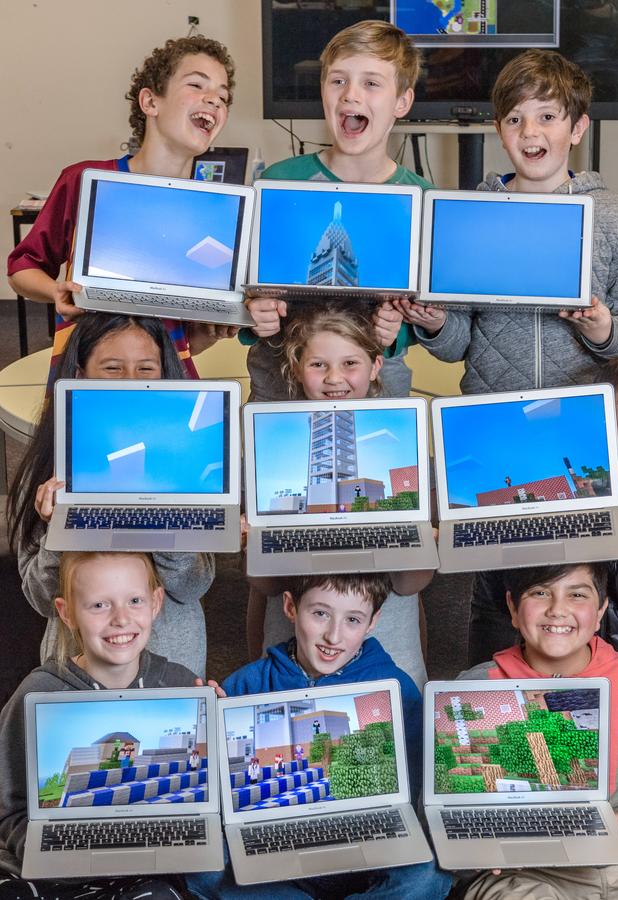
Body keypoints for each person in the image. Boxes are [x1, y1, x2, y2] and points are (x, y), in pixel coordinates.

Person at [187, 573, 452, 900]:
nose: (333, 635)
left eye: (353, 619)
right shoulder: (247, 684)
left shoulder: (397, 687)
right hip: (276, 846)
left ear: (372, 623)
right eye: (320, 614)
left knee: (429, 873)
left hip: (366, 847)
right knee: (201, 863)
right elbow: (222, 792)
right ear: (290, 607)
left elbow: (413, 790)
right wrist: (210, 729)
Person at [401, 48, 618, 394]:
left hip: (584, 410)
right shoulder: (470, 217)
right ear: (500, 131)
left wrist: (604, 331)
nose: (530, 132)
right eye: (515, 120)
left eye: (547, 117)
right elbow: (454, 346)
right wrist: (437, 323)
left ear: (577, 128)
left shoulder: (613, 216)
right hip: (490, 407)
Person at [6, 35, 238, 384]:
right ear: (150, 101)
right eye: (196, 85)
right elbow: (21, 268)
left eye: (222, 97)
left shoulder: (213, 208)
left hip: (170, 383)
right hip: (86, 379)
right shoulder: (85, 180)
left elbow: (185, 339)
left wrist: (215, 328)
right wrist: (56, 292)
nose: (213, 100)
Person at [6, 313, 216, 676]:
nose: (131, 384)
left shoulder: (189, 460)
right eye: (113, 368)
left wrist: (163, 522)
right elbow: (42, 600)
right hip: (76, 667)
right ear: (80, 373)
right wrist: (59, 531)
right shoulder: (50, 465)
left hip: (171, 666)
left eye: (146, 369)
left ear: (165, 374)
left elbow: (192, 584)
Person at [241, 19, 432, 402]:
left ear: (402, 102)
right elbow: (242, 288)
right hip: (278, 394)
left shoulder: (423, 199)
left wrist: (399, 330)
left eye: (372, 83)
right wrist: (251, 312)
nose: (351, 95)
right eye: (338, 80)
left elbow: (429, 313)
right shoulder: (279, 183)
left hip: (379, 398)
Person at [246, 303, 435, 689]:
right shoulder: (273, 444)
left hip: (382, 609)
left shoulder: (401, 444)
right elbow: (266, 588)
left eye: (350, 364)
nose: (335, 379)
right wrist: (251, 543)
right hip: (297, 603)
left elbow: (410, 584)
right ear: (297, 369)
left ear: (376, 367)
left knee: (400, 706)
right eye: (318, 365)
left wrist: (422, 539)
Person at [0, 550, 196, 898]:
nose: (121, 619)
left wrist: (217, 723)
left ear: (155, 603)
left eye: (134, 600)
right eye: (99, 606)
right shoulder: (38, 691)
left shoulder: (182, 686)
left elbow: (195, 792)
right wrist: (45, 851)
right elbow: (10, 807)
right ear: (67, 613)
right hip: (45, 871)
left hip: (140, 872)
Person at [456, 562, 618, 899]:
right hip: (525, 873)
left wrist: (586, 825)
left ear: (601, 609)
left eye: (577, 594)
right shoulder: (472, 687)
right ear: (513, 609)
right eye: (540, 592)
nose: (558, 609)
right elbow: (445, 812)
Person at [467, 348, 618, 665]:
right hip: (543, 678)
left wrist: (603, 532)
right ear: (601, 411)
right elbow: (494, 608)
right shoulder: (555, 497)